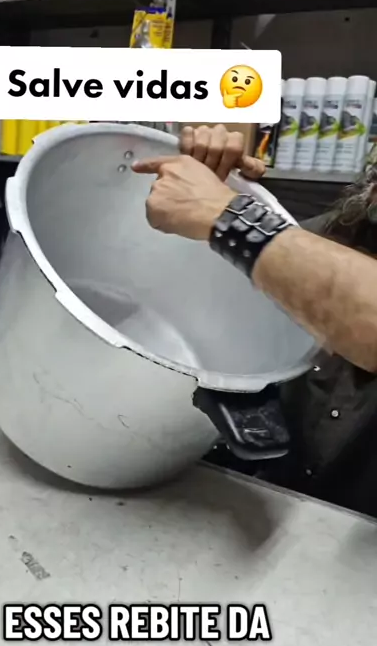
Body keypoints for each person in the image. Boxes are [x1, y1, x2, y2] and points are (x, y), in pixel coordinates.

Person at [132, 125, 377, 515]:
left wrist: (233, 218)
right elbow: (188, 301)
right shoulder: (338, 232)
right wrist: (209, 190)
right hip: (272, 508)